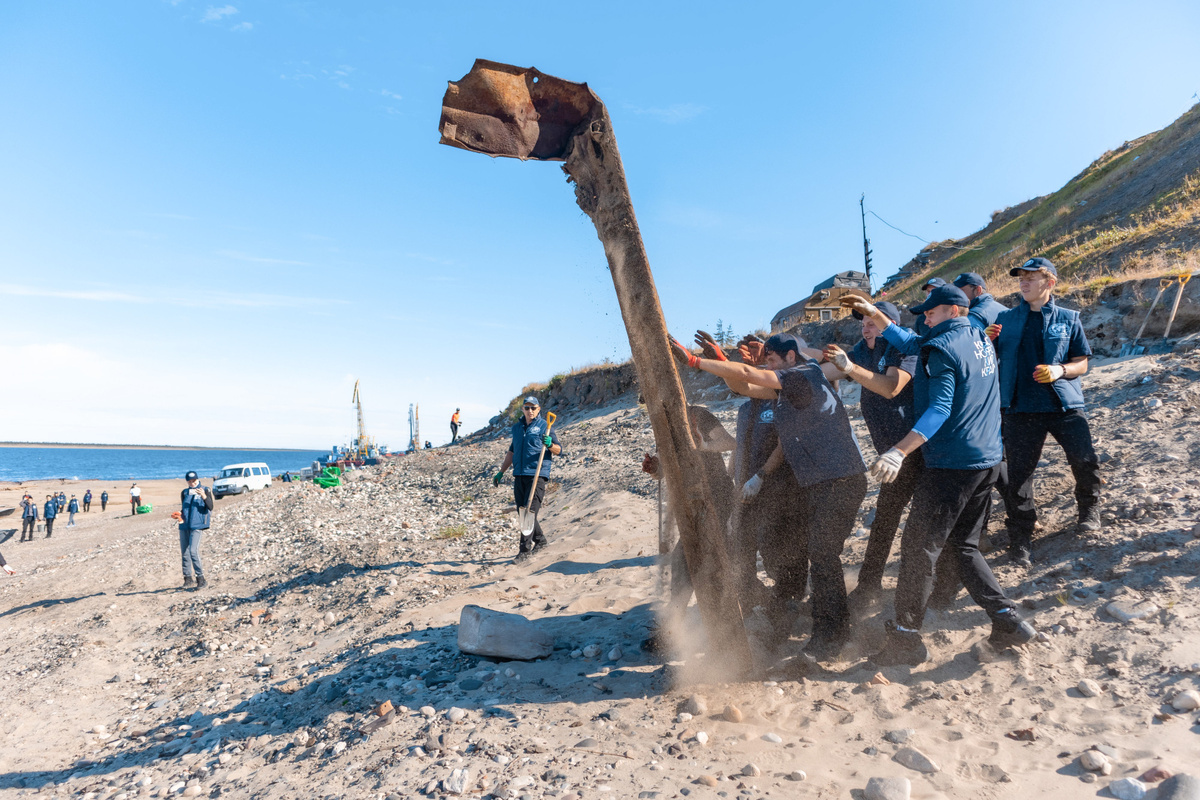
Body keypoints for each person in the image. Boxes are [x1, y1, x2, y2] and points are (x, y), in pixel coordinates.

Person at [841, 289, 1035, 666]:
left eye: (931, 313)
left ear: (953, 310)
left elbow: (939, 408)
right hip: (987, 458)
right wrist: (875, 315)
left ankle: (905, 638)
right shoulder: (977, 336)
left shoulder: (940, 349)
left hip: (952, 463)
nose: (925, 318)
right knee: (964, 546)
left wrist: (900, 451)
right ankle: (1008, 620)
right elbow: (911, 341)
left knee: (918, 548)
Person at [672, 333, 868, 661]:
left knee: (821, 554)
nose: (768, 367)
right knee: (818, 554)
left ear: (791, 356)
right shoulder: (784, 389)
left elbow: (748, 375)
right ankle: (825, 625)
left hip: (839, 478)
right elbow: (744, 387)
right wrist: (721, 361)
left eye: (773, 361)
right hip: (819, 481)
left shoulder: (804, 374)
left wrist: (695, 362)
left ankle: (832, 633)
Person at [822, 301, 959, 613]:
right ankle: (869, 585)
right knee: (884, 520)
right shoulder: (861, 350)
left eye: (872, 322)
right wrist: (785, 374)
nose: (865, 328)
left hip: (918, 450)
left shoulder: (904, 348)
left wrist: (849, 369)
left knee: (928, 525)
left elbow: (891, 388)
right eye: (862, 323)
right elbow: (823, 370)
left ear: (889, 324)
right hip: (890, 452)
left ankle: (943, 586)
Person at [990, 257, 1100, 565]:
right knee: (1019, 476)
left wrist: (1060, 370)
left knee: (1084, 459)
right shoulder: (1005, 319)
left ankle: (1089, 510)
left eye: (1031, 277)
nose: (1023, 282)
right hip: (1019, 408)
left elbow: (1082, 362)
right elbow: (986, 357)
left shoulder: (1068, 317)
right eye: (1021, 278)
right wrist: (984, 340)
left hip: (1063, 404)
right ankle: (1021, 536)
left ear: (1049, 282)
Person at [492, 396, 562, 560]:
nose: (530, 411)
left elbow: (559, 450)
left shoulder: (545, 426)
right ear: (523, 409)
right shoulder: (517, 428)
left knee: (529, 513)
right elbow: (512, 451)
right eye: (527, 408)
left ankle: (524, 551)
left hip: (537, 475)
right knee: (522, 511)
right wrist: (501, 472)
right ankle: (541, 541)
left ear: (538, 409)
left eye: (533, 408)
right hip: (519, 474)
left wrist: (550, 444)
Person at [174, 470, 214, 589]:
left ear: (198, 479)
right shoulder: (184, 492)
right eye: (190, 481)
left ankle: (201, 579)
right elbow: (184, 508)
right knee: (185, 553)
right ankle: (188, 579)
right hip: (184, 524)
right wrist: (179, 514)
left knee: (193, 551)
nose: (192, 483)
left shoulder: (205, 489)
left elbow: (210, 506)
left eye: (194, 481)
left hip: (197, 525)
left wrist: (203, 496)